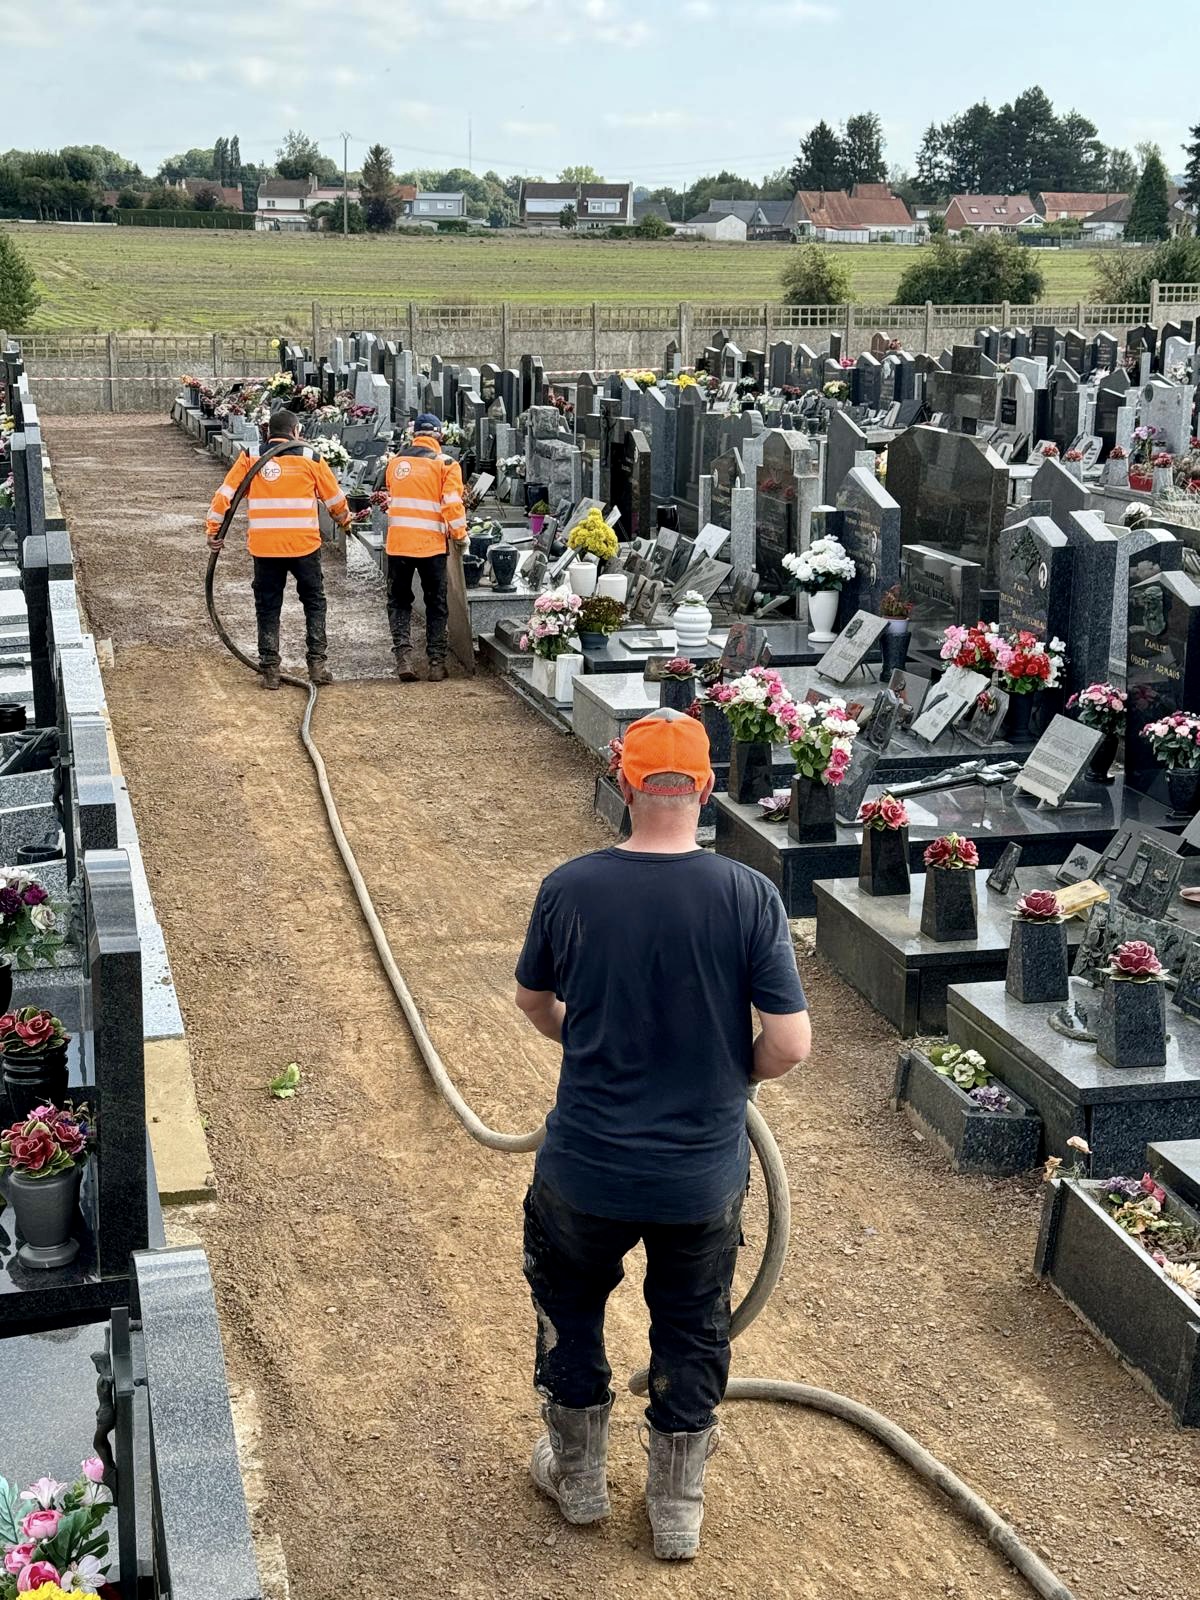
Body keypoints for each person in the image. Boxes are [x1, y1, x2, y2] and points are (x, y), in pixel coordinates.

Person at [513, 710, 811, 1560]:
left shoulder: (571, 888)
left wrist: (589, 1038)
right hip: (698, 1179)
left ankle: (579, 1479)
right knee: (692, 1326)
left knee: (569, 1310)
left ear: (624, 781)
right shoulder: (748, 895)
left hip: (585, 1169)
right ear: (706, 787)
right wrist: (730, 1074)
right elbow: (790, 1044)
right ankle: (676, 1507)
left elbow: (535, 1002)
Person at [206, 408, 351, 689]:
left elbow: (225, 495)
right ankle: (317, 666)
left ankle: (270, 669)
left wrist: (213, 531)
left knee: (268, 605)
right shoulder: (311, 458)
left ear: (268, 432)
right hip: (303, 546)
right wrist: (345, 522)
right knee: (314, 602)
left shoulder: (251, 458)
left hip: (265, 548)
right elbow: (334, 500)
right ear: (295, 432)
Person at [383, 413, 468, 683]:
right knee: (436, 602)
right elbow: (452, 504)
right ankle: (435, 663)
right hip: (431, 546)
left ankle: (403, 658)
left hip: (399, 544)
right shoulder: (447, 464)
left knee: (399, 601)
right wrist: (460, 536)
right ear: (439, 436)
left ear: (414, 435)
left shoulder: (395, 463)